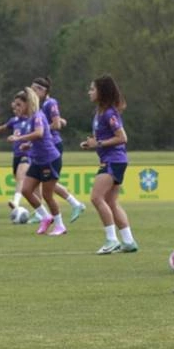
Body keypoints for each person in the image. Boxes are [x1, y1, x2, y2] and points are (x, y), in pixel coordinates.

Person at [81, 75, 137, 254]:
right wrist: (92, 143)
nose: (89, 92)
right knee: (111, 202)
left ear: (102, 92)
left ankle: (111, 239)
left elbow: (122, 137)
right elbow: (104, 138)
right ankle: (128, 241)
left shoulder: (109, 113)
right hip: (112, 160)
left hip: (114, 160)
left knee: (96, 198)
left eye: (92, 89)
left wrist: (98, 144)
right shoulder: (99, 112)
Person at [10, 86, 66, 236]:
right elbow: (38, 137)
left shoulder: (38, 116)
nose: (17, 108)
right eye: (15, 105)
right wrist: (27, 144)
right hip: (37, 160)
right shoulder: (29, 119)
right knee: (26, 190)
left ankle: (60, 225)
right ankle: (46, 217)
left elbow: (40, 133)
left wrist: (19, 138)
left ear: (28, 103)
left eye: (19, 105)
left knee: (48, 196)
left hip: (49, 160)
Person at [31, 77, 86, 223]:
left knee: (46, 182)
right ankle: (71, 205)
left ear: (44, 90)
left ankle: (71, 206)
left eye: (36, 89)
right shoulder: (42, 106)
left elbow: (56, 125)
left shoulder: (51, 102)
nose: (33, 92)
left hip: (52, 145)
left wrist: (41, 130)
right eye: (32, 88)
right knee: (40, 182)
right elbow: (59, 121)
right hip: (46, 145)